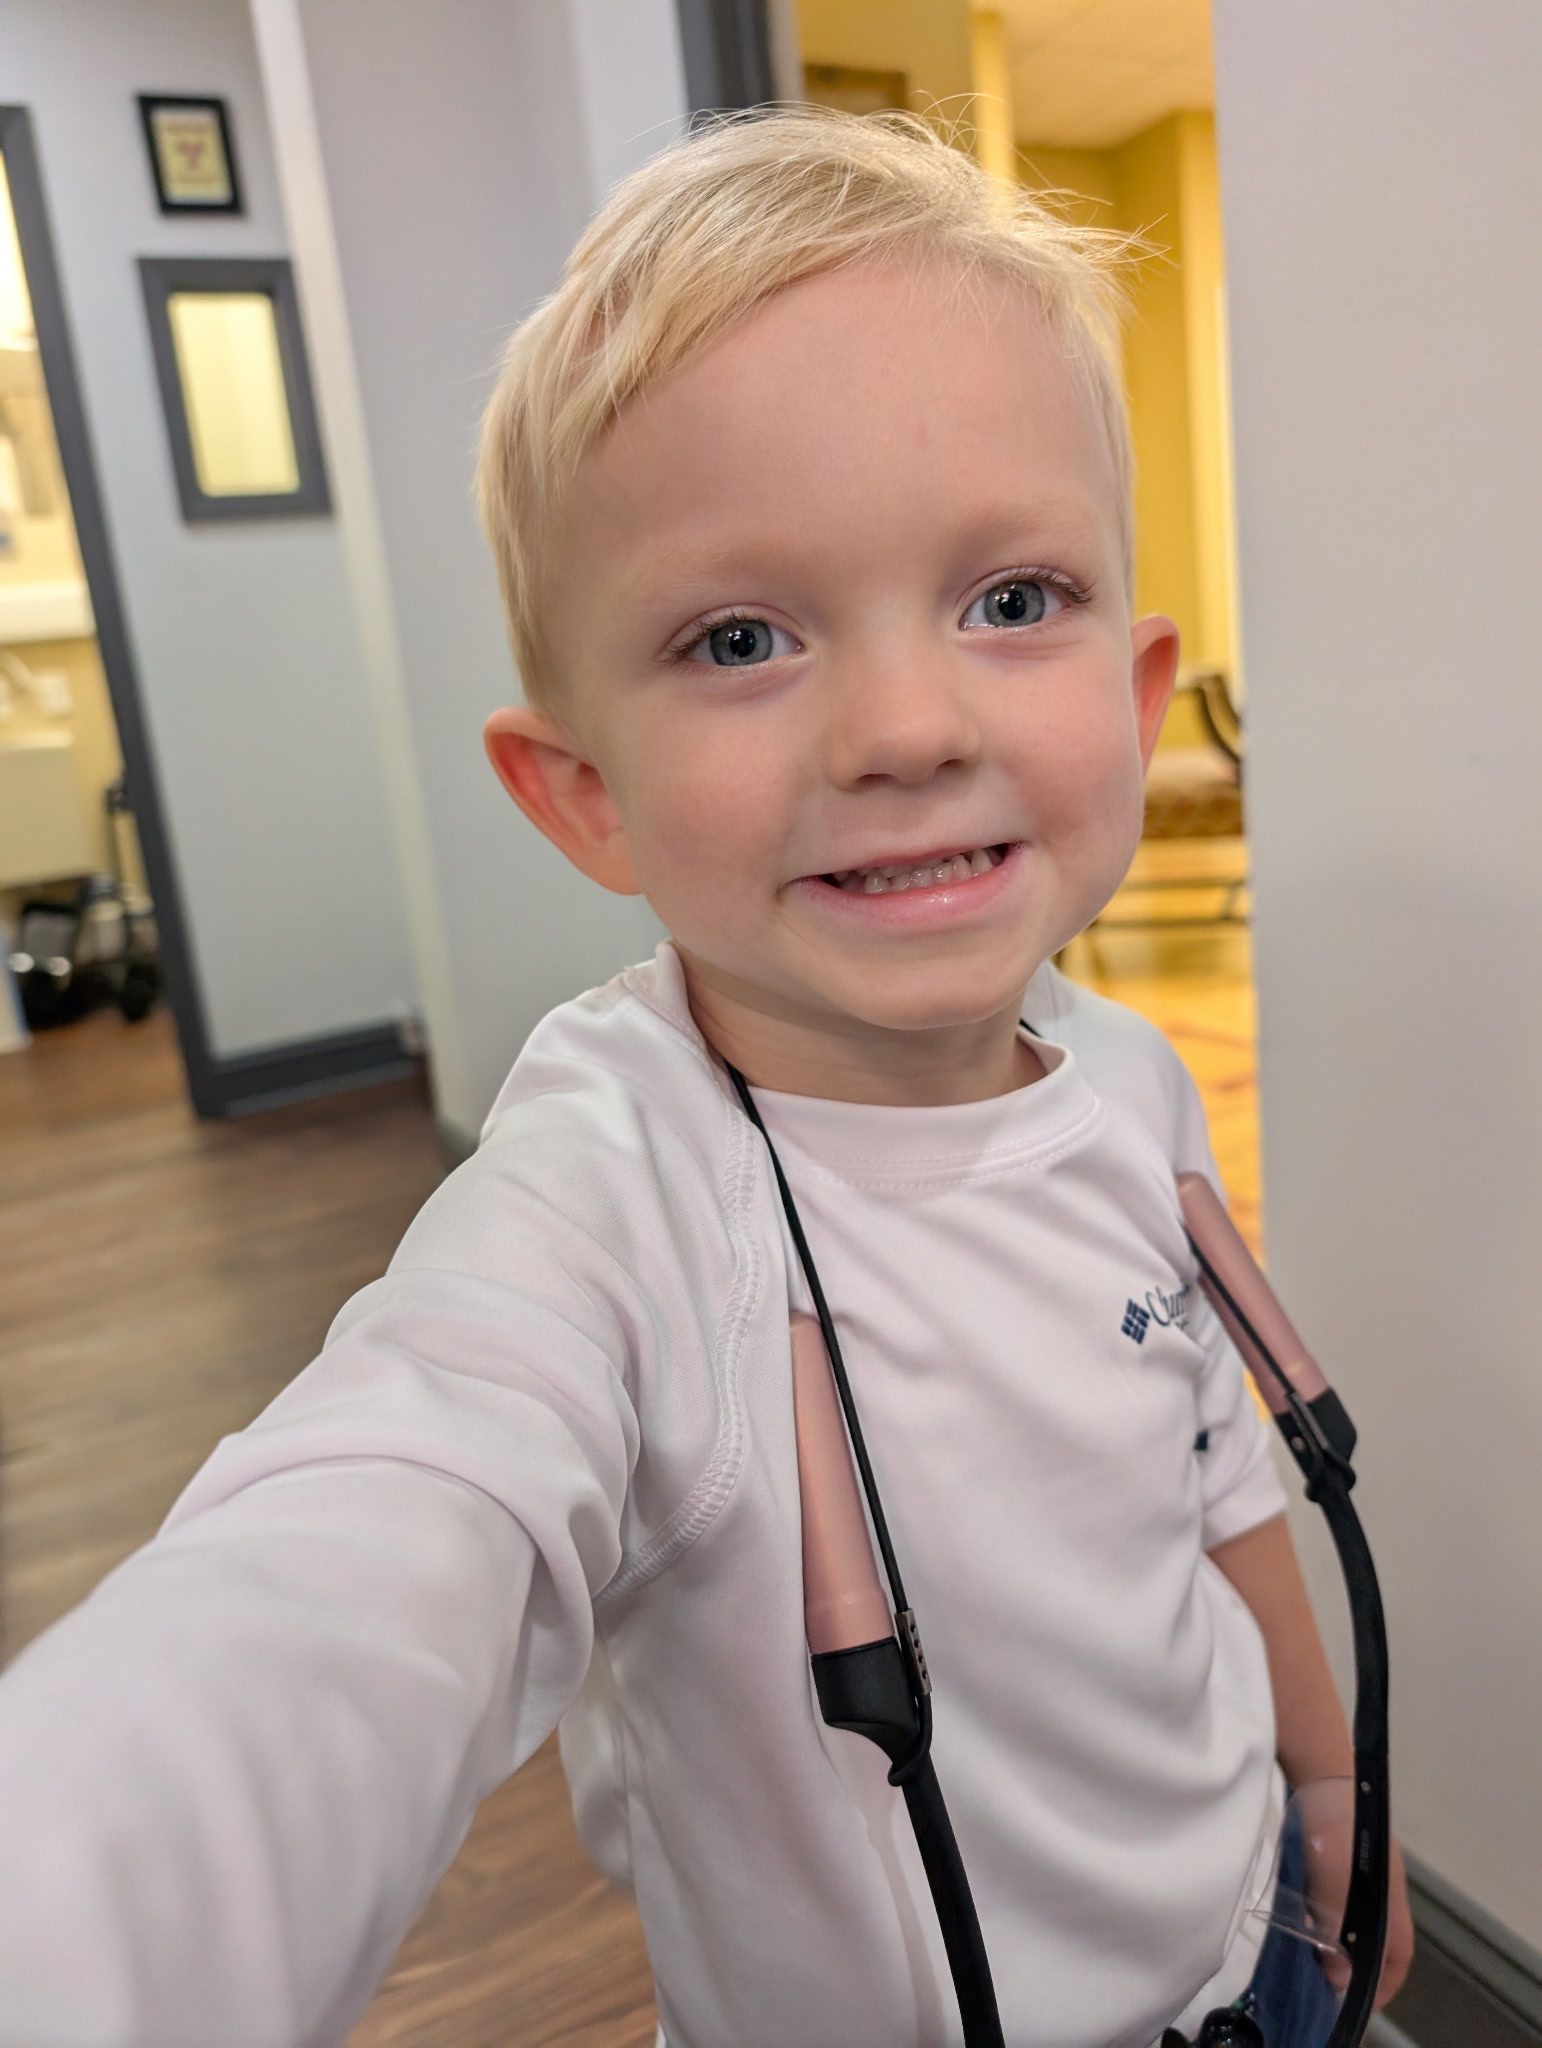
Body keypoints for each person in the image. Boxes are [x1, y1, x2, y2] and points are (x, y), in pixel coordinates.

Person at [0, 107, 1412, 2046]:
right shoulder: (612, 1200)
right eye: (742, 636)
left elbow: (1215, 1484)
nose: (909, 725)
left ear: (1140, 690)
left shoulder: (1133, 1085)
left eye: (1011, 600)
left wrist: (1328, 1805)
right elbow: (359, 1546)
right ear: (584, 794)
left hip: (1249, 1973)